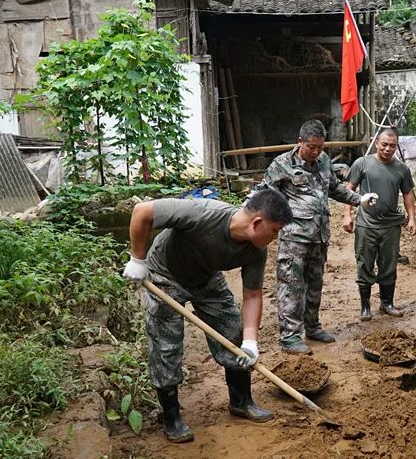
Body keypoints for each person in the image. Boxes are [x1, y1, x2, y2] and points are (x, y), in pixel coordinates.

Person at [122, 189, 293, 443]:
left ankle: (241, 401)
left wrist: (250, 341)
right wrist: (137, 259)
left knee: (234, 333)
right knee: (166, 347)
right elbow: (142, 211)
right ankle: (171, 417)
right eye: (275, 231)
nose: (275, 237)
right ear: (257, 223)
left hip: (206, 277)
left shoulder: (255, 250)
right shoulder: (202, 213)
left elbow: (253, 296)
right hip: (164, 276)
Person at [255, 119, 377, 355]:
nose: (317, 152)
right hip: (294, 239)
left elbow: (334, 188)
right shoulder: (282, 164)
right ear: (300, 142)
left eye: (321, 147)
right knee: (291, 287)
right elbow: (263, 195)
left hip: (319, 237)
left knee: (315, 285)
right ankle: (289, 337)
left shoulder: (323, 162)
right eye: (312, 147)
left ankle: (312, 327)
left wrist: (358, 199)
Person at [343, 127, 416, 321]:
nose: (387, 149)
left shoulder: (401, 168)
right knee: (364, 264)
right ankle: (365, 306)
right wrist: (347, 215)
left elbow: (408, 193)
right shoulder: (362, 164)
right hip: (366, 224)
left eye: (392, 146)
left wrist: (411, 218)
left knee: (389, 265)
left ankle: (387, 303)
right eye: (384, 144)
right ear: (376, 143)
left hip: (391, 226)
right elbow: (349, 189)